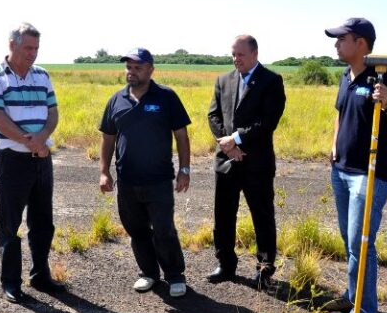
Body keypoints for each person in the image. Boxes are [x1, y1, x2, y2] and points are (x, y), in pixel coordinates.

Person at [323, 17, 387, 313]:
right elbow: (340, 115)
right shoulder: (345, 77)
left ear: (360, 43)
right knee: (350, 243)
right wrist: (335, 146)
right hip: (342, 170)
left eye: (341, 39)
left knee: (361, 244)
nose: (335, 44)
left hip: (370, 174)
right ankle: (353, 299)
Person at [0, 22, 63, 304]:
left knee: (43, 222)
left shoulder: (42, 75)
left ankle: (41, 275)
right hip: (13, 159)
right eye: (28, 47)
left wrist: (41, 139)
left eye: (36, 48)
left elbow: (52, 113)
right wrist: (33, 143)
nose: (33, 54)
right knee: (9, 224)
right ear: (11, 44)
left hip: (41, 159)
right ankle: (11, 283)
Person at [99, 48, 192, 298]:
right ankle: (149, 273)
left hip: (159, 180)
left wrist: (185, 169)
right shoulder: (116, 100)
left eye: (137, 67)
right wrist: (104, 172)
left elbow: (181, 136)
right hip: (127, 181)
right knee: (137, 230)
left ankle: (174, 275)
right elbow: (108, 139)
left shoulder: (166, 97)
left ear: (151, 69)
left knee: (164, 229)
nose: (131, 71)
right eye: (128, 67)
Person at [207, 35, 286, 289]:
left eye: (240, 54)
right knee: (224, 215)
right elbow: (213, 115)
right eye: (233, 54)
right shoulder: (223, 80)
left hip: (257, 164)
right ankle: (226, 264)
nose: (235, 59)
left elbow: (268, 121)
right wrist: (227, 145)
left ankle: (264, 269)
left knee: (262, 216)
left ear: (254, 54)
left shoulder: (272, 81)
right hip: (227, 161)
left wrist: (237, 139)